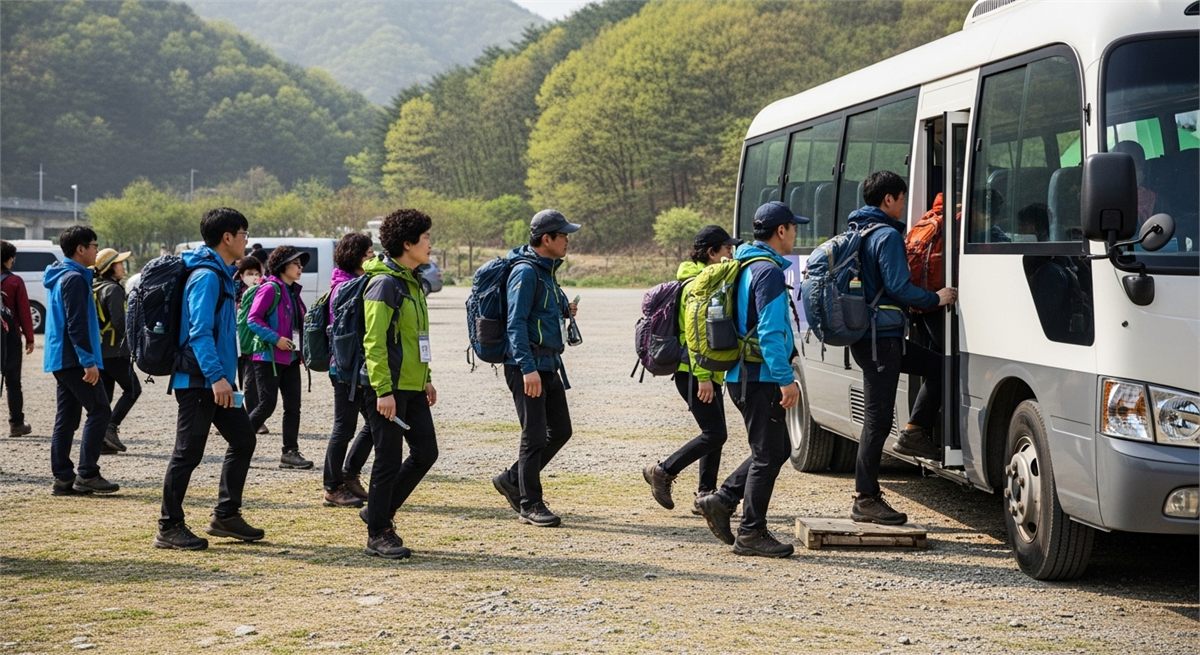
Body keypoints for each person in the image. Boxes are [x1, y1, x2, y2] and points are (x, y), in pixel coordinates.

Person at [842, 171, 957, 525]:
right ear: (888, 199)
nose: (904, 205)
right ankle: (866, 498)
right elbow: (899, 285)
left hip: (872, 337)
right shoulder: (886, 235)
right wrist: (935, 298)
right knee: (876, 420)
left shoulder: (856, 230)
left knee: (941, 367)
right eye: (902, 198)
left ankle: (914, 431)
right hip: (881, 340)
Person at [693, 202, 804, 558]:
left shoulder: (741, 264)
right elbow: (771, 332)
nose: (795, 234)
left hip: (741, 375)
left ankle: (723, 499)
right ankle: (751, 532)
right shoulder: (768, 272)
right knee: (767, 454)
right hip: (760, 376)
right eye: (793, 227)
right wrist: (786, 379)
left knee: (775, 450)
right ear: (781, 231)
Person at [157, 207, 262, 550]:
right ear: (227, 237)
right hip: (199, 382)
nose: (246, 240)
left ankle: (226, 516)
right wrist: (218, 377)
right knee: (187, 453)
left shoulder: (221, 273)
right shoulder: (206, 276)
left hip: (216, 381)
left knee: (244, 439)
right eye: (243, 234)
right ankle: (168, 526)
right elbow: (199, 333)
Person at [490, 209, 580, 528]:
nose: (568, 240)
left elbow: (539, 313)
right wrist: (527, 369)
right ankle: (530, 503)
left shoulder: (546, 271)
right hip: (526, 365)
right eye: (564, 235)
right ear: (547, 239)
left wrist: (563, 308)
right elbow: (515, 323)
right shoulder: (526, 272)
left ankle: (512, 479)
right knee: (535, 435)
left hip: (547, 363)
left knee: (561, 430)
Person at [643, 225, 740, 513]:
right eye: (726, 250)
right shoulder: (696, 286)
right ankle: (663, 471)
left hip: (705, 372)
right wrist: (703, 378)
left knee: (715, 432)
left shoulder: (704, 281)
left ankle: (705, 494)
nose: (730, 255)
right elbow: (696, 336)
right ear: (711, 253)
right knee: (715, 434)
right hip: (694, 373)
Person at [360, 209, 438, 559]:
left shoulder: (412, 281)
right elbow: (373, 342)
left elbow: (417, 336)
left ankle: (378, 508)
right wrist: (383, 391)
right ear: (407, 244)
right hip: (386, 389)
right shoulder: (384, 283)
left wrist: (427, 378)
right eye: (425, 238)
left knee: (426, 451)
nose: (430, 244)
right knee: (388, 459)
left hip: (412, 385)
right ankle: (378, 531)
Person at [41, 226, 118, 496]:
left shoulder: (63, 275)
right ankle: (87, 473)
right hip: (73, 358)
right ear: (81, 249)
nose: (97, 250)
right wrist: (88, 361)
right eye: (94, 245)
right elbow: (76, 325)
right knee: (100, 410)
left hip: (60, 357)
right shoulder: (73, 278)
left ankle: (63, 478)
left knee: (68, 416)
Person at [322, 232, 376, 508]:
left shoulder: (348, 283)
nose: (373, 258)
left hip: (352, 367)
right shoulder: (348, 287)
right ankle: (333, 486)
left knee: (372, 423)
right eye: (368, 254)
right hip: (345, 369)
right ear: (356, 256)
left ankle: (349, 474)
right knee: (344, 428)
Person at [246, 245, 312, 470]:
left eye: (301, 264)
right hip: (268, 357)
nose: (300, 267)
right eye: (296, 263)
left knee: (293, 406)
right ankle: (238, 444)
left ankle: (290, 453)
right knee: (267, 405)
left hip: (291, 357)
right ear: (283, 265)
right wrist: (276, 339)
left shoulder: (293, 291)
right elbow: (253, 319)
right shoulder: (270, 289)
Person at [92, 248, 140, 454]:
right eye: (120, 263)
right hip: (115, 351)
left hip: (100, 351)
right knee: (133, 389)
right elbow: (120, 323)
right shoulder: (113, 290)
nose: (123, 266)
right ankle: (111, 428)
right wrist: (134, 343)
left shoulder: (95, 286)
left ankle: (102, 442)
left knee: (106, 396)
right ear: (110, 268)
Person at [2, 240, 35, 438]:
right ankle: (16, 424)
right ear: (8, 259)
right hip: (10, 337)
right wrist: (30, 338)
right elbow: (24, 312)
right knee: (13, 381)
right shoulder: (15, 281)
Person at [234, 256, 264, 412]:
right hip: (236, 344)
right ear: (241, 276)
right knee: (240, 381)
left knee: (251, 382)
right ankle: (239, 416)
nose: (254, 277)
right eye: (250, 273)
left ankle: (254, 417)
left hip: (254, 344)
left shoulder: (262, 292)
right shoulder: (233, 292)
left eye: (257, 273)